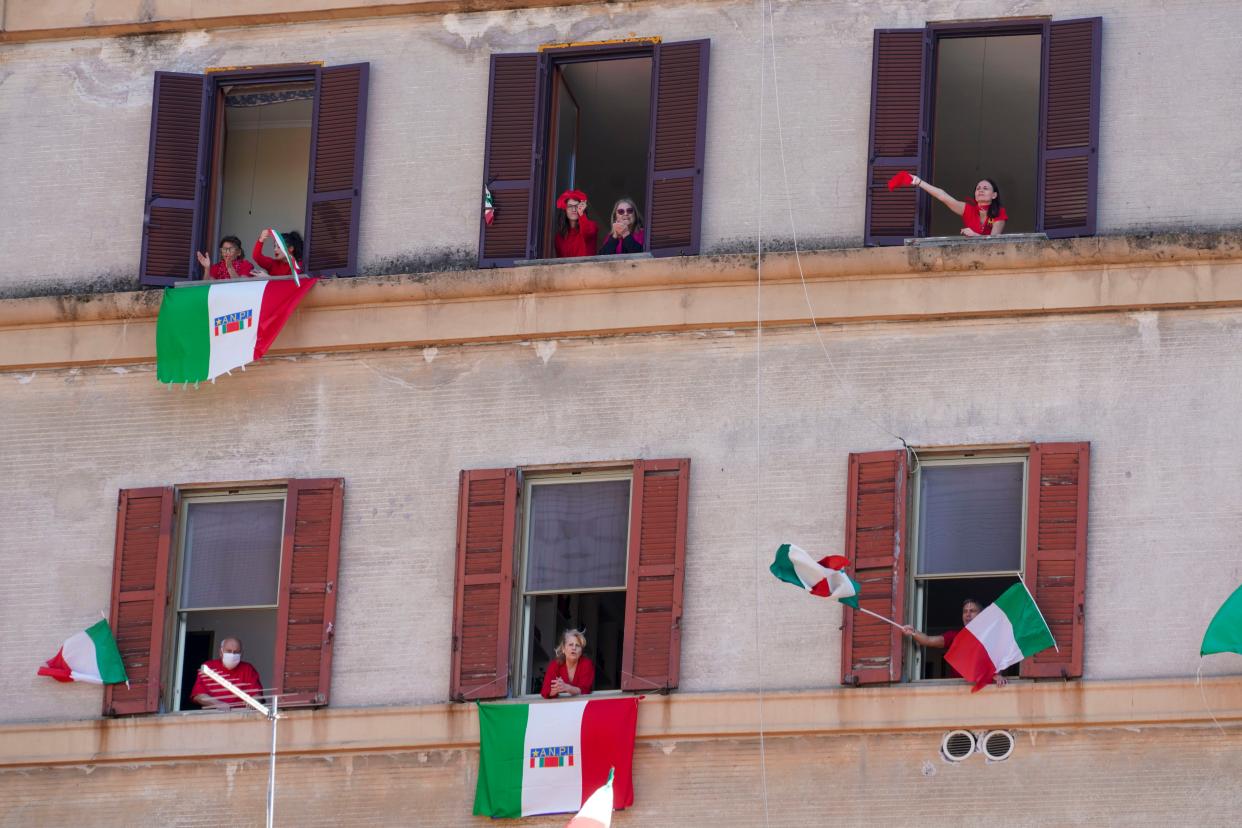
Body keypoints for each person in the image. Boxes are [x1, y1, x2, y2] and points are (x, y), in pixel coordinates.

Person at [902, 598, 1008, 686]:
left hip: (982, 692)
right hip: (958, 691)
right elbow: (928, 640)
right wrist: (913, 632)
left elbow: (999, 661)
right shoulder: (955, 637)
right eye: (965, 611)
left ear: (981, 615)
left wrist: (998, 674)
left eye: (972, 611)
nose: (968, 614)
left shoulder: (991, 638)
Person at [905, 175, 1008, 237]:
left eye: (985, 188)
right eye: (978, 188)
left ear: (994, 195)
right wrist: (919, 182)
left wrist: (975, 235)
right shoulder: (968, 210)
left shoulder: (999, 212)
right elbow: (943, 196)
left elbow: (994, 241)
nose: (980, 190)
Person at [190, 637, 264, 710]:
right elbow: (198, 696)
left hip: (241, 716)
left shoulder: (248, 669)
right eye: (229, 651)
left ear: (241, 654)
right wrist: (217, 704)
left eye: (236, 652)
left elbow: (257, 694)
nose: (232, 654)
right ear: (221, 652)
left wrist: (254, 702)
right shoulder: (208, 668)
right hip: (213, 716)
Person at [540, 628, 595, 699]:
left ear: (581, 651)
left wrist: (567, 688)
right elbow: (545, 691)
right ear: (563, 648)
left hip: (582, 707)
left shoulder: (587, 664)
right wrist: (555, 690)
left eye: (577, 645)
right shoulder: (555, 665)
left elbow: (585, 690)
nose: (574, 648)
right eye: (570, 645)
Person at [553, 190, 598, 258]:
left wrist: (581, 214)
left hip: (587, 268)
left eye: (577, 206)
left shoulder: (592, 226)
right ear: (565, 210)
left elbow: (586, 232)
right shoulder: (559, 237)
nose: (574, 209)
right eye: (570, 206)